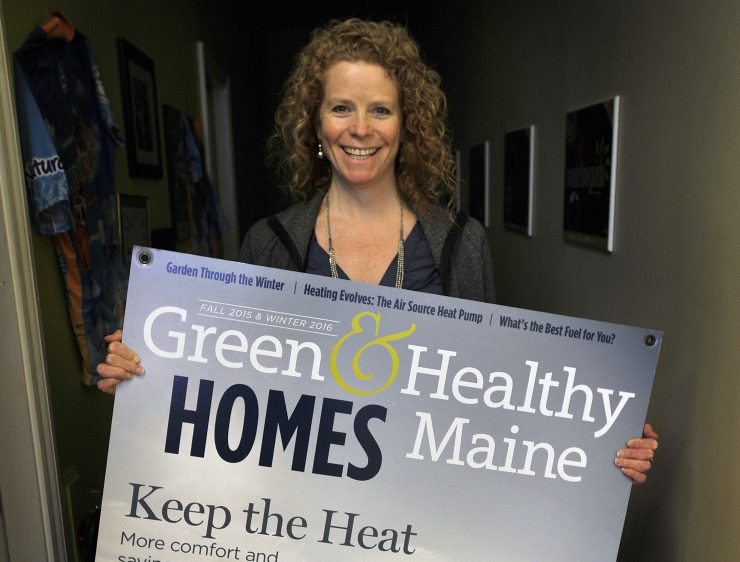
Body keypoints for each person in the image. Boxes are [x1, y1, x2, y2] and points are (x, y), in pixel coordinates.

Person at [96, 18, 658, 483]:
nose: (360, 129)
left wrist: (602, 436)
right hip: (299, 512)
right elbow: (222, 387)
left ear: (406, 125)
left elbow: (500, 401)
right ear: (314, 123)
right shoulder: (268, 242)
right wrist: (146, 372)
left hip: (425, 509)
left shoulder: (462, 243)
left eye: (380, 110)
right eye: (341, 108)